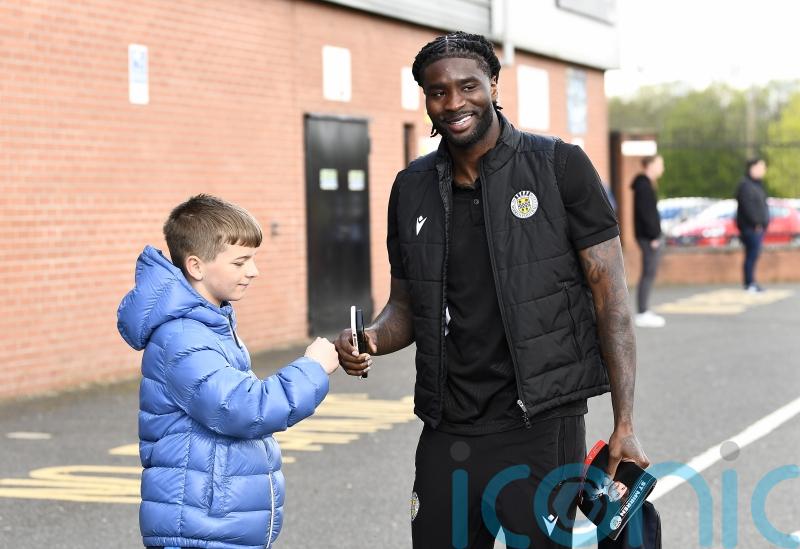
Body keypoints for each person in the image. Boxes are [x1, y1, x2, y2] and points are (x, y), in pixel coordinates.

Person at [334, 32, 649, 548]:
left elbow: (610, 298)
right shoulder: (410, 187)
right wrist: (368, 338)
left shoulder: (558, 167)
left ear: (494, 84)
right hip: (449, 423)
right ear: (426, 100)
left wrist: (625, 421)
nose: (454, 103)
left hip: (540, 424)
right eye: (438, 92)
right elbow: (407, 307)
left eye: (467, 86)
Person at [117, 194, 338, 549]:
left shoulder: (209, 324)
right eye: (240, 262)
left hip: (212, 523)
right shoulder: (183, 337)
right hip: (199, 529)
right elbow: (242, 408)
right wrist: (312, 368)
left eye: (253, 259)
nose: (253, 270)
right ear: (197, 266)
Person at [631, 156, 666, 328]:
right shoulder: (644, 186)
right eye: (660, 164)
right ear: (650, 165)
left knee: (649, 273)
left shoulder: (645, 185)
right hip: (648, 238)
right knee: (648, 273)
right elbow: (646, 214)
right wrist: (653, 236)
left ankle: (644, 310)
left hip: (648, 236)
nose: (662, 168)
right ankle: (642, 312)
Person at [735, 158, 770, 292]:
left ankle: (751, 282)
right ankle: (749, 283)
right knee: (751, 255)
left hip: (758, 227)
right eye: (761, 167)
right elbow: (748, 207)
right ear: (752, 168)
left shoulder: (757, 185)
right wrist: (756, 223)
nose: (763, 170)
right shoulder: (746, 186)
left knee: (753, 255)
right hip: (751, 228)